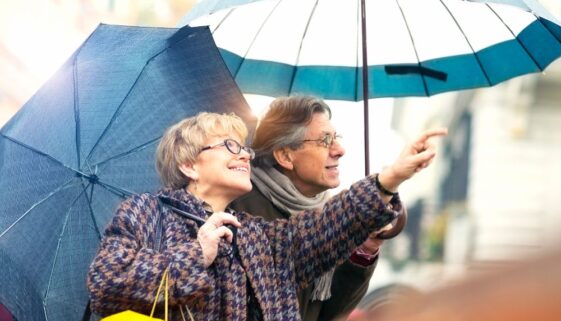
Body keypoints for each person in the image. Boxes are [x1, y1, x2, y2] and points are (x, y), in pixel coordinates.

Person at [87, 111, 446, 320]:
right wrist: (195, 254)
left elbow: (328, 226)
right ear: (189, 164)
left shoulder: (260, 235)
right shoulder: (146, 214)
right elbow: (107, 283)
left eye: (243, 146)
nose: (244, 154)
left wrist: (390, 178)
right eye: (229, 145)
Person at [230, 96, 395, 321]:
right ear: (286, 156)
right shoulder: (238, 210)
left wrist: (364, 251)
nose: (340, 150)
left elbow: (330, 314)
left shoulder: (333, 213)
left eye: (336, 137)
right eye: (325, 140)